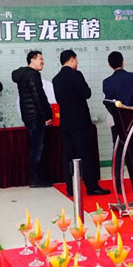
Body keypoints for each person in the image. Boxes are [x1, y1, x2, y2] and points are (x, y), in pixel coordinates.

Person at [52, 49, 109, 197]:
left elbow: (59, 100)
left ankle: (71, 188)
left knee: (68, 156)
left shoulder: (56, 79)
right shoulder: (76, 75)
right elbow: (87, 93)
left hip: (65, 123)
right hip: (80, 122)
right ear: (72, 59)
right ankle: (92, 187)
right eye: (76, 60)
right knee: (85, 154)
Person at [102, 51, 133, 195]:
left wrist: (119, 117)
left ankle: (118, 185)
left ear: (109, 65)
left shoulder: (107, 82)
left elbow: (109, 104)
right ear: (123, 61)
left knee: (118, 153)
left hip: (117, 123)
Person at [11, 51, 53, 187]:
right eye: (40, 59)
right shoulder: (32, 75)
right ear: (32, 60)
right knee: (38, 148)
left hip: (28, 116)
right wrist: (47, 115)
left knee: (35, 147)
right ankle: (37, 179)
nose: (43, 61)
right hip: (36, 116)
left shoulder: (23, 75)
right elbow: (38, 96)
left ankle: (37, 177)